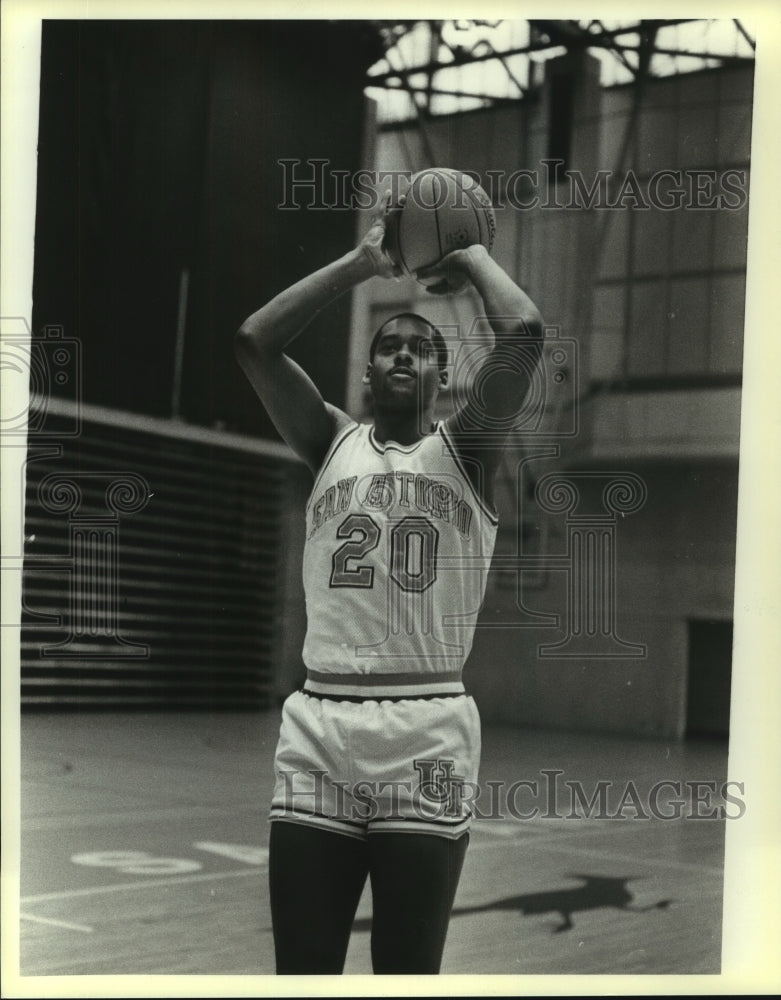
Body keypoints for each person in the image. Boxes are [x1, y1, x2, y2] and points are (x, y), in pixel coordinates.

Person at [235, 191, 543, 975]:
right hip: (318, 727)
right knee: (302, 971)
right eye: (387, 345)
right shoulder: (327, 440)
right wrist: (367, 262)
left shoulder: (468, 449)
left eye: (421, 348)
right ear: (367, 371)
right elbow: (253, 344)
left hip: (426, 730)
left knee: (406, 973)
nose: (403, 355)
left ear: (443, 375)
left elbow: (524, 332)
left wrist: (466, 253)